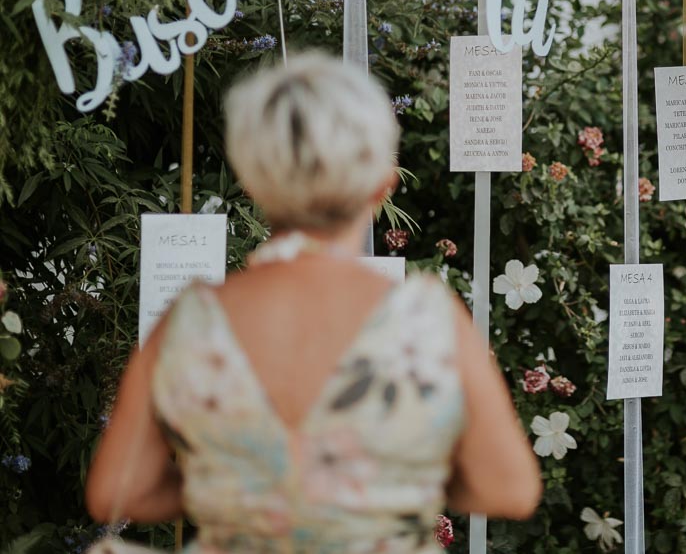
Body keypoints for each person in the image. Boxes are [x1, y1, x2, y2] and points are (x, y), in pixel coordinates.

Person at [86, 52, 541, 550]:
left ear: (254, 182)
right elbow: (510, 488)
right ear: (382, 185)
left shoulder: (192, 322)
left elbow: (117, 490)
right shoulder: (428, 320)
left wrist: (238, 493)